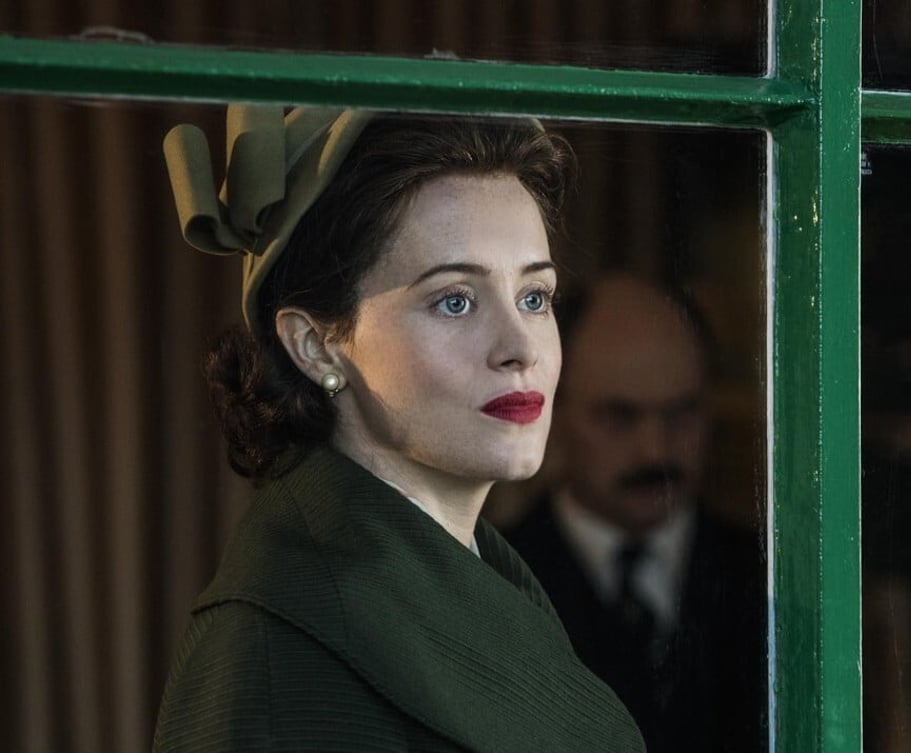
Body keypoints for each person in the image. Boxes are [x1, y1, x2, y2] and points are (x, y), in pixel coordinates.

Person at [153, 106, 645, 753]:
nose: (520, 348)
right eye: (454, 301)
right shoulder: (272, 656)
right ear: (315, 346)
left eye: (534, 297)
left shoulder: (481, 576)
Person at [504, 274, 767, 753]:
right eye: (619, 416)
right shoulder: (496, 580)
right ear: (553, 411)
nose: (655, 450)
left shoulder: (767, 580)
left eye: (681, 413)